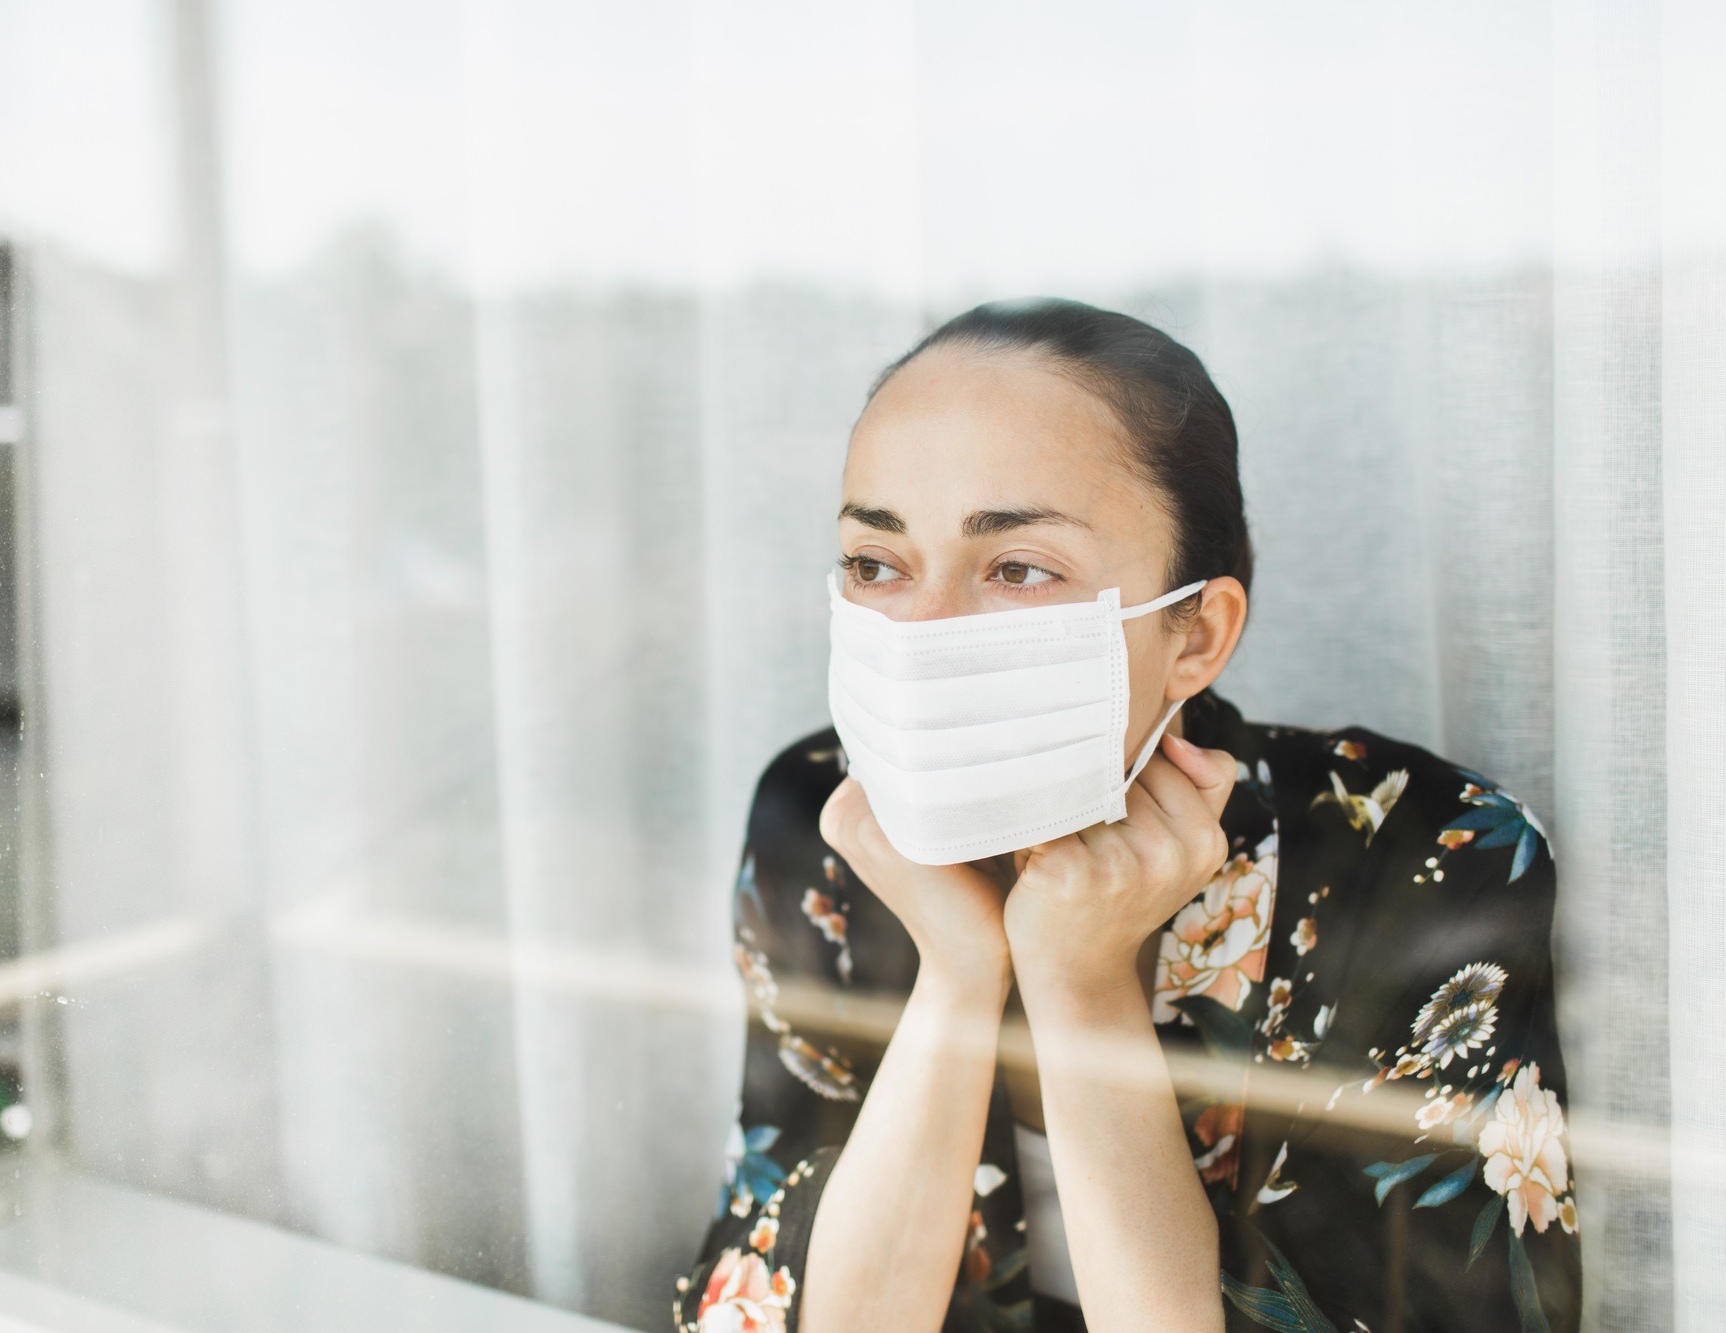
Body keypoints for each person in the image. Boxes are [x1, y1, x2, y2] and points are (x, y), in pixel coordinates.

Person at [673, 301, 1579, 1333]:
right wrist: (958, 974)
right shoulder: (827, 822)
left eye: (1017, 567)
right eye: (876, 564)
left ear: (1195, 634)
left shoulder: (1420, 850)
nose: (920, 634)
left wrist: (1083, 984)